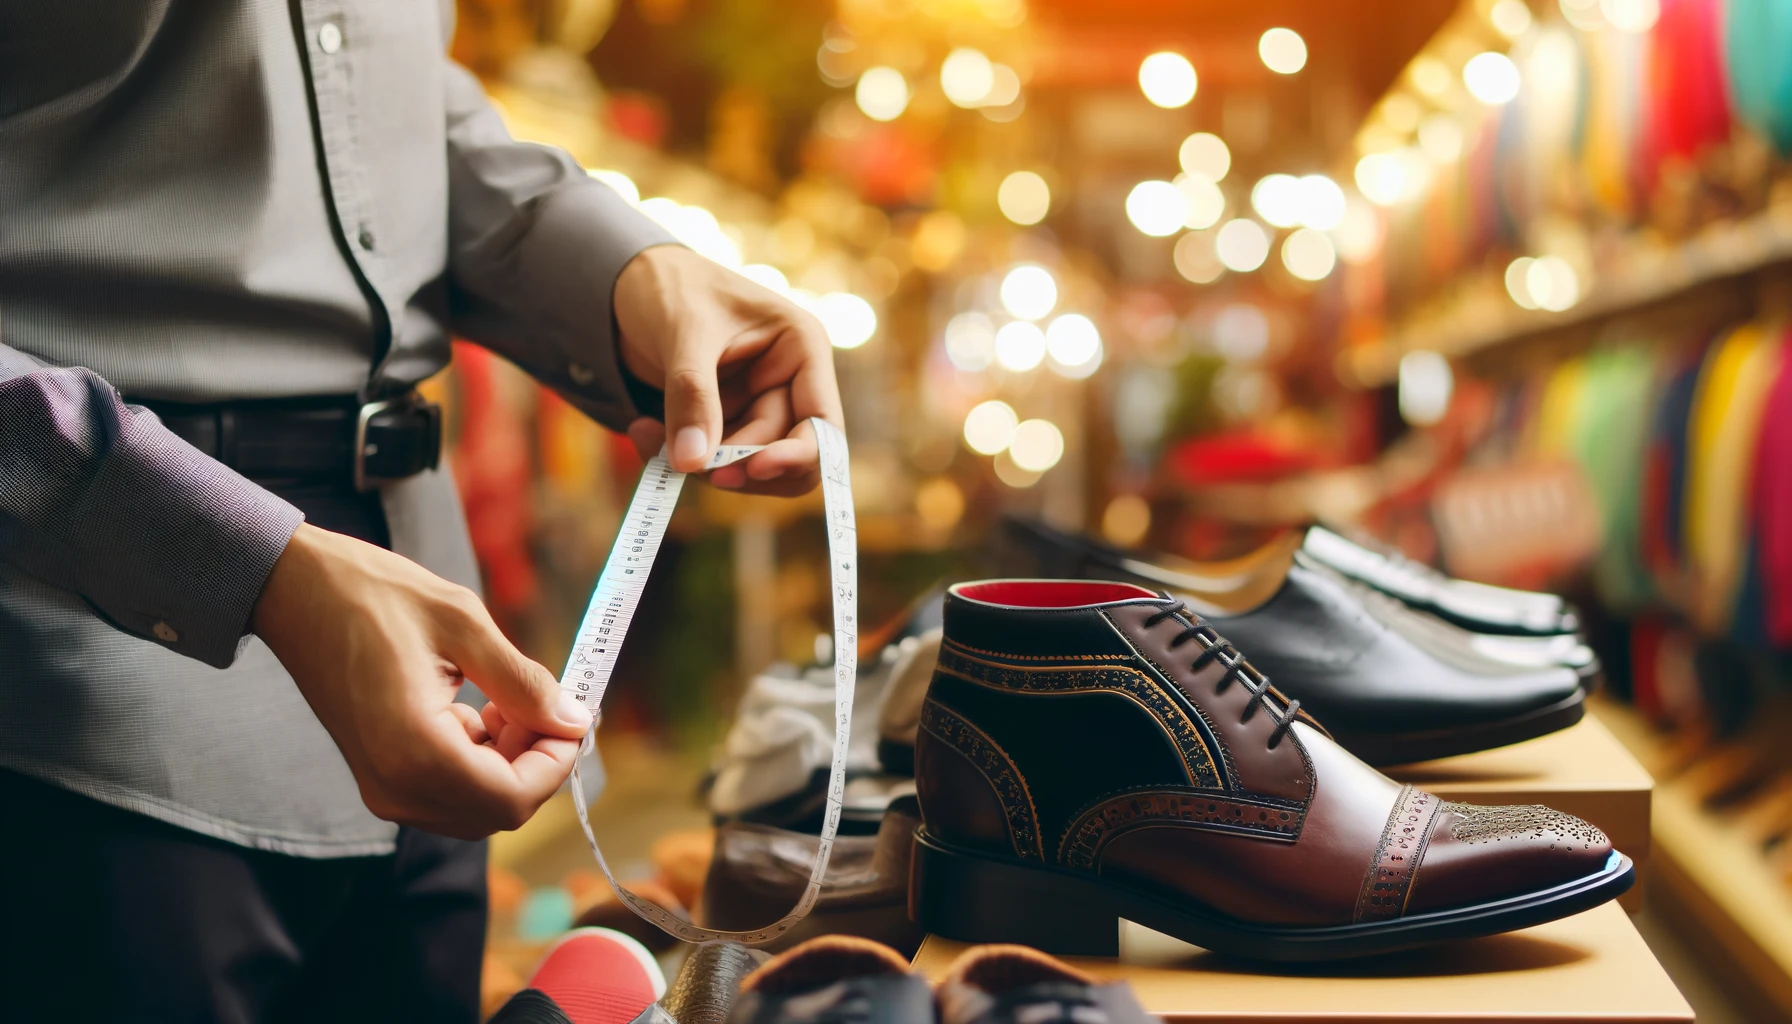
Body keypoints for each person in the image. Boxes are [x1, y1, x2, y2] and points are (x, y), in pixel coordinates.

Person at [0, 3, 841, 1020]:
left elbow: (369, 92)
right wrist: (249, 560)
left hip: (435, 699)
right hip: (73, 713)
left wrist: (627, 271)